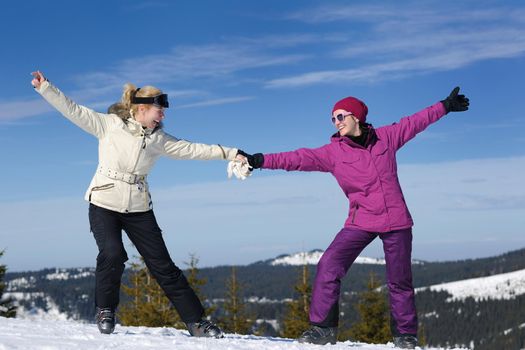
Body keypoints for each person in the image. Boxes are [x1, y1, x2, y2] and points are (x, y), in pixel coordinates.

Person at [238, 87, 469, 349]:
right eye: (333, 119)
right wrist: (258, 159)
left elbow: (415, 122)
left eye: (340, 116)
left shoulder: (387, 138)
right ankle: (322, 329)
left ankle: (405, 335)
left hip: (397, 221)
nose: (336, 123)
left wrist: (445, 106)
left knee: (399, 280)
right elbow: (297, 158)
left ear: (355, 116)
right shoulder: (333, 153)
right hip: (362, 220)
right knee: (329, 264)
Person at [31, 71, 247, 337]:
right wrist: (46, 88)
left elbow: (194, 149)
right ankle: (106, 310)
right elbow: (73, 110)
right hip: (103, 202)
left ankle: (197, 322)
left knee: (163, 266)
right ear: (142, 109)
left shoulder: (158, 139)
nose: (163, 116)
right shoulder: (109, 125)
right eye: (159, 110)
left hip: (139, 208)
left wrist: (231, 153)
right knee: (112, 254)